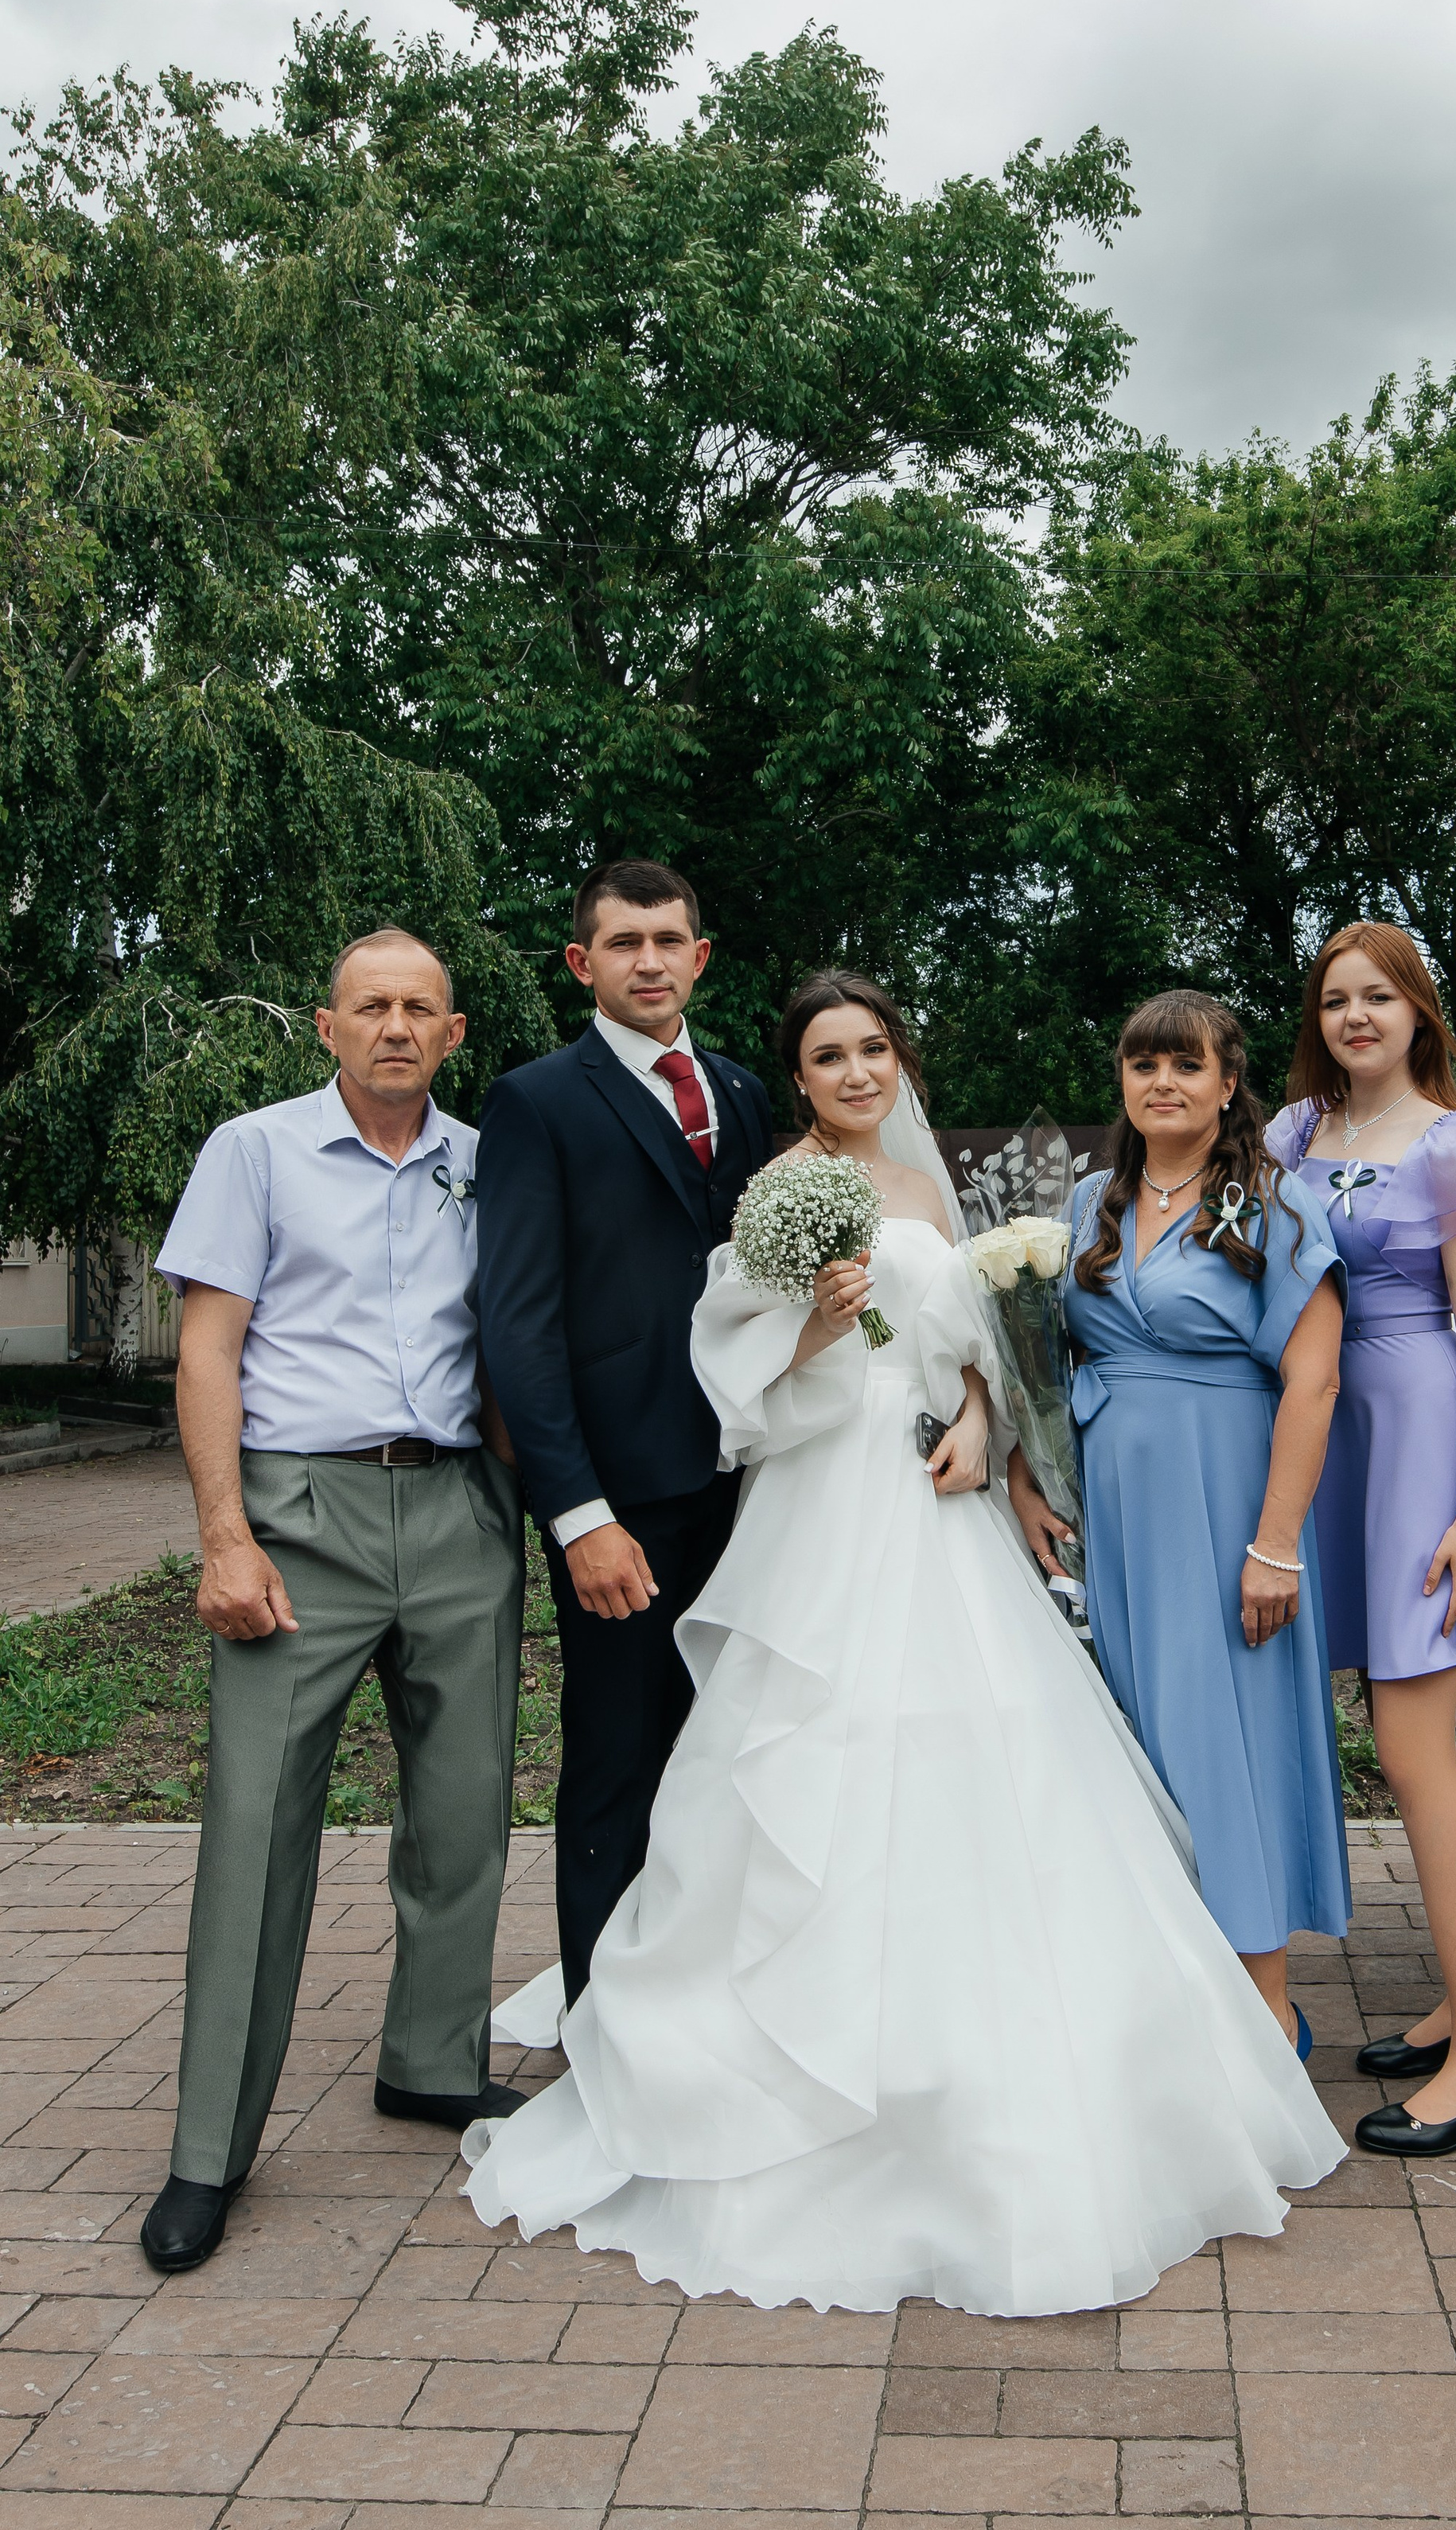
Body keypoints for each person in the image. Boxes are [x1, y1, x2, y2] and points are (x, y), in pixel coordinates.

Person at [462, 974, 1343, 2314]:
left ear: (900, 1061)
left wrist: (985, 1420)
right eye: (829, 1054)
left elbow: (973, 1343)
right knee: (819, 1753)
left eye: (875, 1047)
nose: (858, 1070)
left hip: (942, 1506)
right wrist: (818, 1318)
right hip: (823, 1504)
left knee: (990, 1753)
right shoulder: (780, 1192)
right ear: (798, 1077)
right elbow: (729, 1383)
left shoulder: (935, 1194)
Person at [142, 930, 528, 2275]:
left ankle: (431, 2062)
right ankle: (208, 2151)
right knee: (255, 1823)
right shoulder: (253, 1152)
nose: (396, 1026)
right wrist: (222, 1537)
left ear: (456, 1031)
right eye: (372, 1005)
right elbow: (209, 1346)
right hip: (300, 1515)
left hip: (463, 1511)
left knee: (469, 1805)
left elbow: (521, 1334)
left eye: (421, 1007)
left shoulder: (490, 1163)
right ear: (326, 1024)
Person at [1266, 922, 1456, 2156]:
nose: (1355, 1016)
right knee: (1404, 1735)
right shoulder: (1291, 1134)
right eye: (1335, 998)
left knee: (1411, 1744)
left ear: (1418, 1012)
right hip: (1330, 1430)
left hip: (1425, 1442)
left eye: (1377, 996)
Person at [1010, 991, 1349, 2056]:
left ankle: (1263, 2010)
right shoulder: (1086, 1206)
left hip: (1228, 1504)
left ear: (1226, 1083)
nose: (1161, 1082)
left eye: (1185, 1065)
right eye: (1142, 1063)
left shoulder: (1262, 1204)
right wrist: (1027, 1476)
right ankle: (1157, 2000)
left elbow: (1314, 1378)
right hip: (1115, 1508)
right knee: (1134, 1747)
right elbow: (1041, 1357)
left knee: (1227, 1743)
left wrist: (1275, 1543)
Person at [477, 861, 774, 2012]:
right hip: (621, 1503)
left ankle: (704, 1991)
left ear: (700, 956)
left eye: (668, 938)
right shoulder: (538, 1101)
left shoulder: (744, 1094)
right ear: (581, 963)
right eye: (623, 942)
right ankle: (605, 2018)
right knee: (616, 1760)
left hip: (748, 1484)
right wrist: (578, 1512)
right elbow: (518, 1324)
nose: (647, 959)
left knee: (722, 1753)